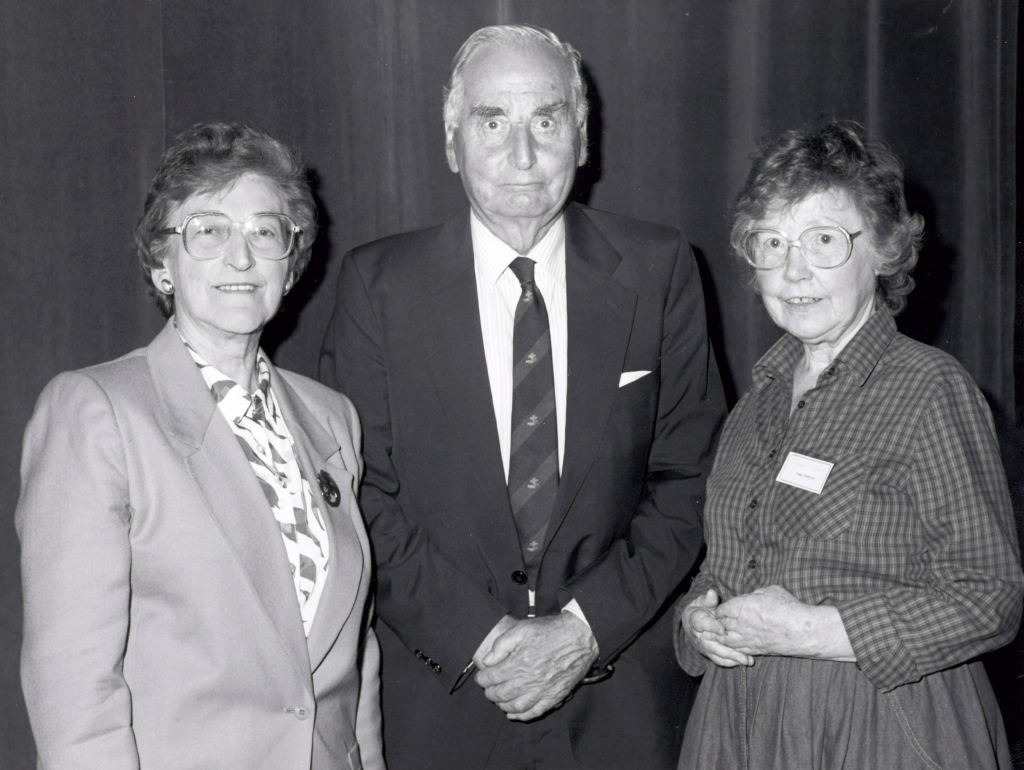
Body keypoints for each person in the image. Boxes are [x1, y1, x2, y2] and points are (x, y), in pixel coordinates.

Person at [320, 23, 726, 770]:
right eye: (492, 121)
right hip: (444, 702)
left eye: (546, 119)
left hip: (621, 700)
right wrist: (483, 641)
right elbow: (358, 494)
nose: (522, 153)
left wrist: (582, 631)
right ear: (451, 143)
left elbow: (690, 476)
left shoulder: (660, 268)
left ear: (582, 137)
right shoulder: (377, 287)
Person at [16, 123, 384, 769]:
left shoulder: (332, 419)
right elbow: (74, 682)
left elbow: (356, 657)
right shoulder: (98, 413)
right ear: (163, 261)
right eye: (208, 231)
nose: (240, 258)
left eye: (264, 232)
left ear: (291, 263)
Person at [674, 122, 1024, 769]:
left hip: (880, 725)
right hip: (740, 724)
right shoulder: (753, 408)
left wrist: (814, 632)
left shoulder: (926, 388)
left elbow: (992, 595)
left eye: (824, 240)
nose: (794, 269)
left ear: (884, 249)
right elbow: (725, 569)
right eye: (772, 242)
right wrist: (700, 620)